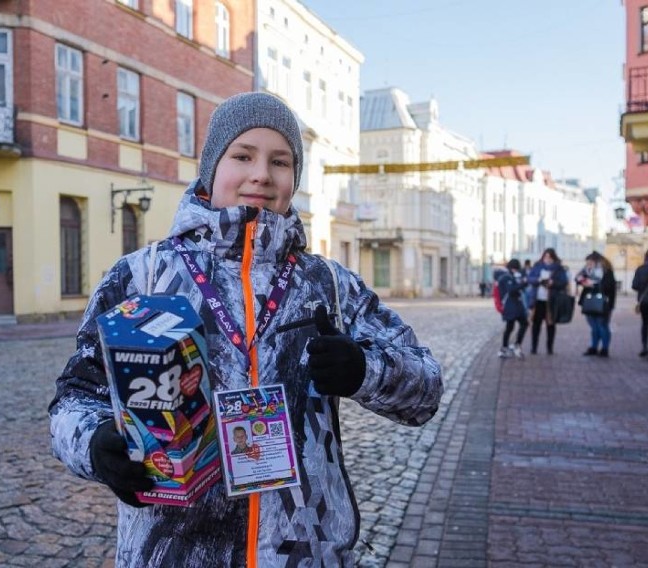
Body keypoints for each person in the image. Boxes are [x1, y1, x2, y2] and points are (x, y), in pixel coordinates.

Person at [48, 92, 443, 567]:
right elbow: (74, 396)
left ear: (293, 178)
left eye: (280, 161)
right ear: (212, 167)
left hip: (303, 555)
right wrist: (95, 444)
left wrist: (365, 369)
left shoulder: (329, 285)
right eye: (242, 156)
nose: (261, 174)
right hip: (173, 551)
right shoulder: (140, 278)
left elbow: (425, 388)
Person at [527, 248, 569, 355]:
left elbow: (564, 282)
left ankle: (549, 348)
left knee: (550, 324)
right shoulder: (538, 266)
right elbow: (530, 278)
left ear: (553, 258)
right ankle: (534, 347)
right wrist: (538, 280)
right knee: (536, 324)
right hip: (538, 300)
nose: (548, 259)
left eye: (550, 257)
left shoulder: (558, 268)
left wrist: (553, 283)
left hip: (551, 300)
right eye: (546, 256)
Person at [574, 251, 616, 357]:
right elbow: (577, 278)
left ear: (597, 262)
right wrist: (583, 281)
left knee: (602, 325)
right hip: (589, 302)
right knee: (593, 326)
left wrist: (593, 284)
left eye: (590, 262)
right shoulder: (587, 271)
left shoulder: (606, 272)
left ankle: (605, 349)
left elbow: (609, 287)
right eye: (587, 262)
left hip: (603, 303)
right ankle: (593, 347)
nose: (588, 264)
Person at [495, 259, 529, 358]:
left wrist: (522, 284)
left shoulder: (512, 276)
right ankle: (505, 348)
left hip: (516, 305)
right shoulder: (506, 278)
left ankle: (514, 345)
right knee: (510, 327)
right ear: (513, 268)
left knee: (523, 324)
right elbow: (511, 290)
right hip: (509, 306)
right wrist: (523, 284)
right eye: (516, 269)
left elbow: (518, 289)